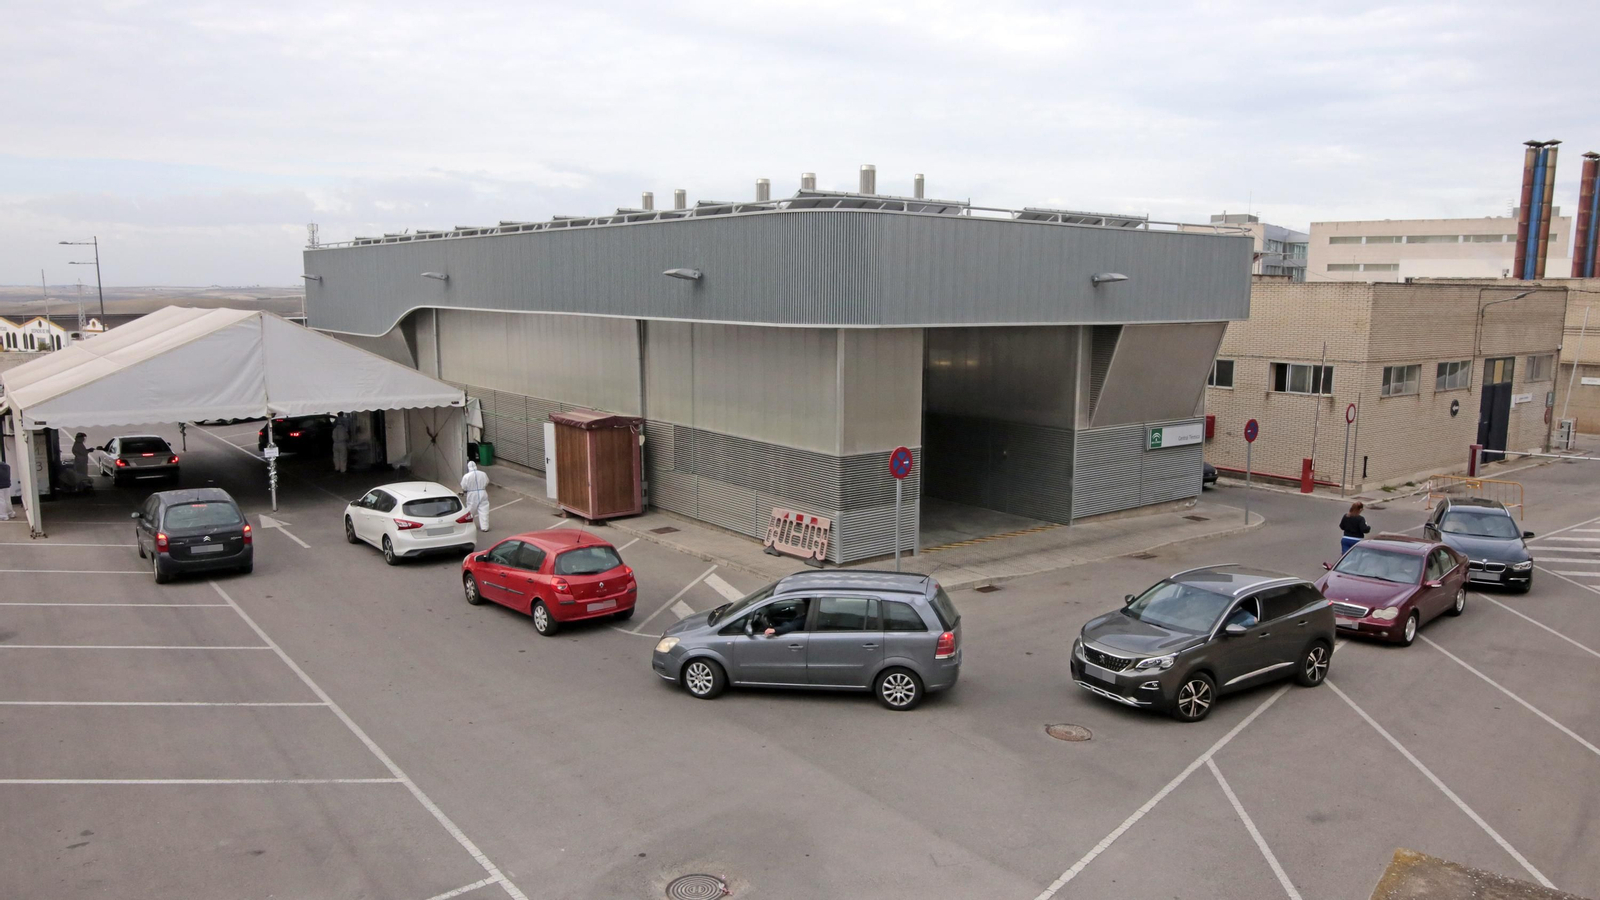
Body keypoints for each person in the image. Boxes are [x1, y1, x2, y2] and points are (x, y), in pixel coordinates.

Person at [460, 460, 490, 532]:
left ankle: (467, 525)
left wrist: (466, 490)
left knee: (470, 510)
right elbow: (487, 481)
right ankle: (485, 527)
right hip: (482, 492)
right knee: (484, 510)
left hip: (472, 494)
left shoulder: (466, 476)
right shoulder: (483, 474)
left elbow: (463, 486)